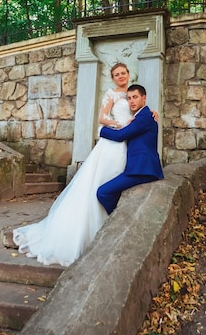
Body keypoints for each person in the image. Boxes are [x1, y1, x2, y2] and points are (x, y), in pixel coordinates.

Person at [12, 63, 134, 267]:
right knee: (101, 181)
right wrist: (119, 125)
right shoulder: (112, 94)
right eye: (117, 74)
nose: (121, 76)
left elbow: (139, 112)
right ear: (113, 78)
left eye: (123, 73)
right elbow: (102, 118)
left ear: (129, 74)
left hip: (128, 144)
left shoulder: (133, 93)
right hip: (113, 142)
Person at [97, 84, 164, 215]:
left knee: (103, 192)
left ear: (143, 98)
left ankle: (118, 217)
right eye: (129, 98)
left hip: (142, 170)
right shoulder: (140, 116)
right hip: (138, 168)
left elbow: (120, 136)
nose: (131, 101)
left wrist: (101, 130)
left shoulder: (144, 117)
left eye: (135, 97)